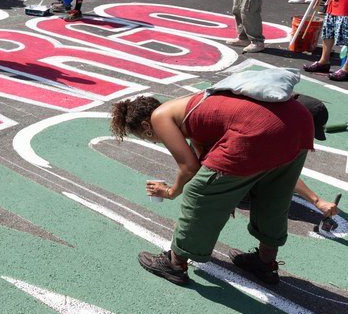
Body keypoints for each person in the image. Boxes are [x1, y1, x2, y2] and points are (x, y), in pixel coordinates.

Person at [111, 91, 314, 287]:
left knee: (197, 194)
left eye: (147, 137)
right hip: (297, 121)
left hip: (259, 130)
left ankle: (175, 264)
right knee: (272, 195)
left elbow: (189, 169)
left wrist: (170, 192)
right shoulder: (191, 107)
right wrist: (227, 194)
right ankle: (265, 263)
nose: (154, 140)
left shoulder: (159, 117)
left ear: (147, 125)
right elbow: (203, 160)